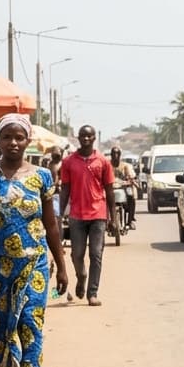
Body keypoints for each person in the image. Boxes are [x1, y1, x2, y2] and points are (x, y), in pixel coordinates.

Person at [0, 114, 69, 367]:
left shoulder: (42, 177)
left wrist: (62, 266)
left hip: (32, 265)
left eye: (19, 137)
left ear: (28, 141)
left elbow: (51, 224)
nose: (13, 142)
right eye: (7, 137)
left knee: (30, 328)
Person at [59, 125, 115, 307]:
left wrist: (113, 217)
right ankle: (81, 277)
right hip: (76, 215)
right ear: (78, 138)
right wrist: (60, 215)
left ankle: (93, 293)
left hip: (98, 213)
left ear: (94, 139)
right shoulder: (68, 162)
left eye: (89, 136)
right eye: (83, 136)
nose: (86, 139)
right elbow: (65, 189)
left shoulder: (103, 161)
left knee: (96, 254)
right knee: (77, 254)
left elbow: (109, 190)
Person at [109, 146, 137, 229]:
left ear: (120, 155)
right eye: (114, 153)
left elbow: (129, 176)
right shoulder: (107, 165)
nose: (115, 155)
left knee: (131, 197)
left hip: (122, 187)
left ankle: (130, 221)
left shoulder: (124, 166)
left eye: (117, 153)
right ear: (111, 155)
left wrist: (130, 180)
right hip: (110, 188)